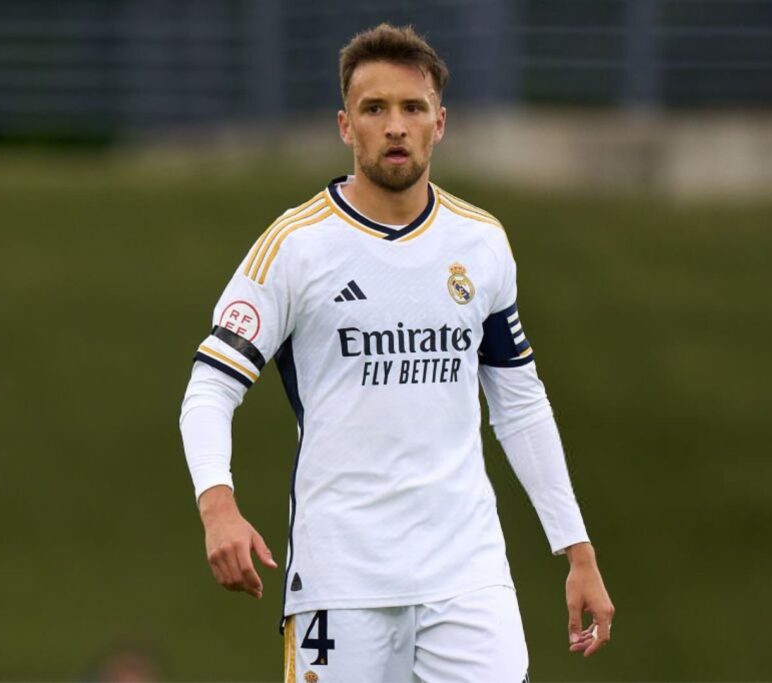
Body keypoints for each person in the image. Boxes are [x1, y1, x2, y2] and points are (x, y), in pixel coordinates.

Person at [179, 23, 614, 682]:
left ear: (440, 123)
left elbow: (520, 403)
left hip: (466, 574)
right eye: (373, 108)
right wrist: (219, 508)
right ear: (344, 126)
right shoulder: (296, 246)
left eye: (412, 108)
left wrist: (576, 548)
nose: (395, 125)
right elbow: (210, 387)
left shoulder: (481, 243)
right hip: (341, 577)